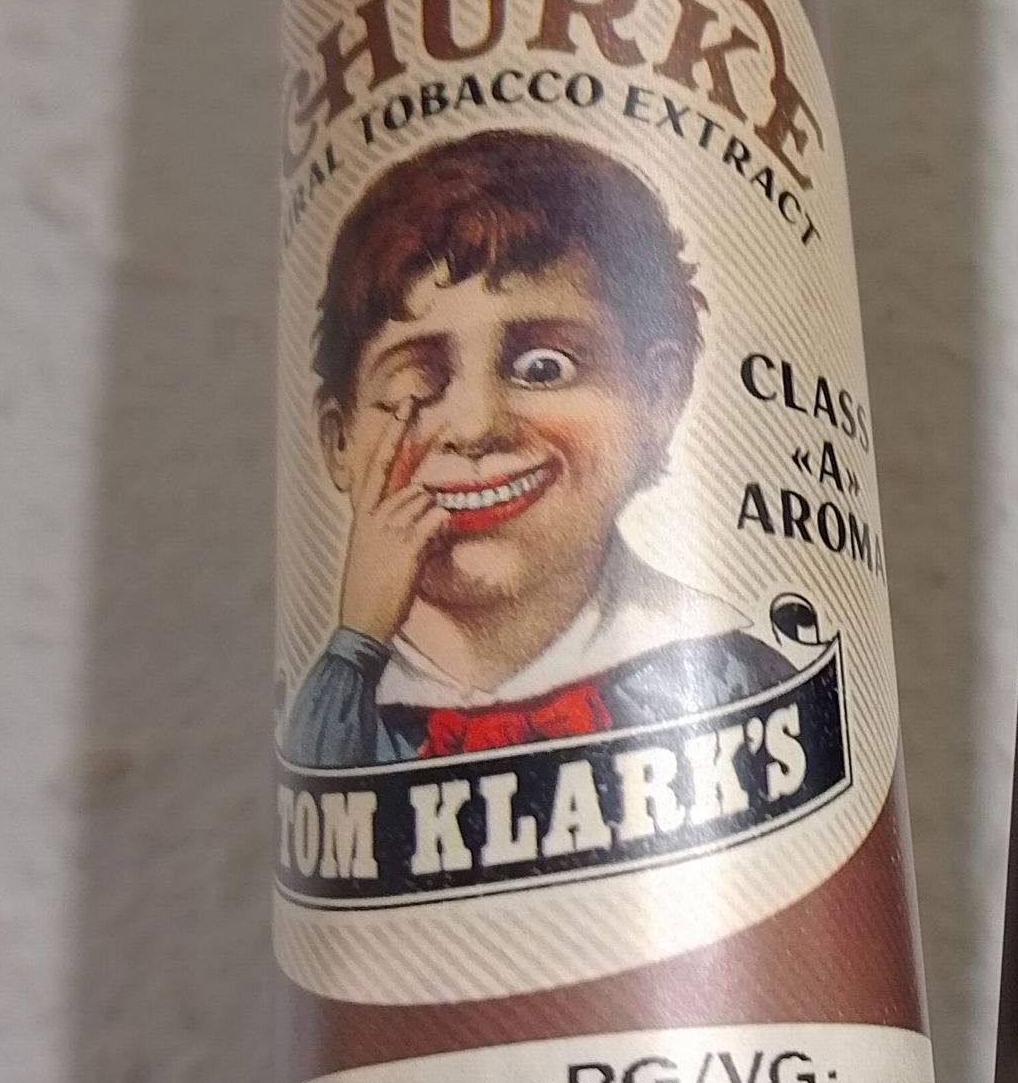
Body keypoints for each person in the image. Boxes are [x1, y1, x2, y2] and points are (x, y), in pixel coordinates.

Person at [284, 129, 785, 766]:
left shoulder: (735, 678)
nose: (475, 427)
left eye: (544, 368)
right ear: (339, 441)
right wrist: (356, 647)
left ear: (658, 395)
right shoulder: (338, 715)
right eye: (417, 386)